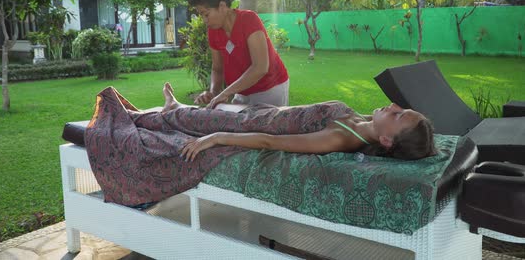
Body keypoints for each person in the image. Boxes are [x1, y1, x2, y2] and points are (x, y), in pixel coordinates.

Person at [157, 83, 436, 163]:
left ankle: (172, 109)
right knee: (207, 108)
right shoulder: (363, 121)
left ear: (386, 141)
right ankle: (177, 107)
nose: (395, 106)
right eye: (402, 108)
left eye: (398, 115)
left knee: (195, 117)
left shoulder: (339, 139)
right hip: (265, 111)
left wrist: (215, 138)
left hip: (252, 124)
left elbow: (271, 141)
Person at [187, 0, 290, 108]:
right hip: (241, 91)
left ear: (222, 6)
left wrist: (225, 93)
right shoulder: (213, 31)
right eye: (201, 15)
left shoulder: (249, 20)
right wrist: (213, 92)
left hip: (270, 88)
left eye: (206, 14)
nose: (204, 20)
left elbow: (260, 68)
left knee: (265, 126)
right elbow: (217, 69)